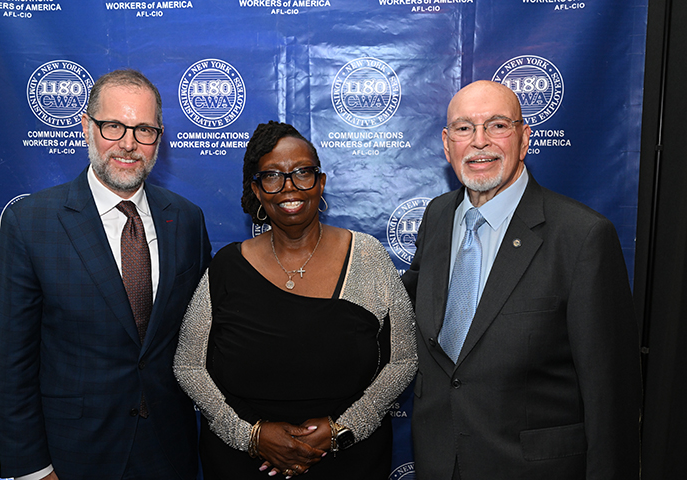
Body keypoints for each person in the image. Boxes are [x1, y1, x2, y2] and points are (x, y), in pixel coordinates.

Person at [402, 80, 642, 480]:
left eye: (497, 125)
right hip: (439, 462)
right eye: (464, 128)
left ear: (524, 138)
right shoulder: (437, 216)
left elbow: (610, 394)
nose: (479, 141)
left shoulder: (582, 236)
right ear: (447, 144)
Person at [0, 69, 212, 480]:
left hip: (169, 452)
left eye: (144, 130)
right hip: (73, 456)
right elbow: (12, 363)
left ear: (159, 138)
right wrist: (34, 470)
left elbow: (198, 342)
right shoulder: (31, 223)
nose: (128, 143)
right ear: (86, 127)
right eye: (113, 126)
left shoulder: (186, 219)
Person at [173, 121, 417, 480]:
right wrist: (251, 435)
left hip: (350, 463)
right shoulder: (226, 267)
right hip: (242, 466)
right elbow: (188, 366)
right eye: (272, 176)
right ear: (256, 189)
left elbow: (403, 360)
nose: (289, 187)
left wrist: (342, 429)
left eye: (302, 172)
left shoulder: (368, 257)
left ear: (320, 182)